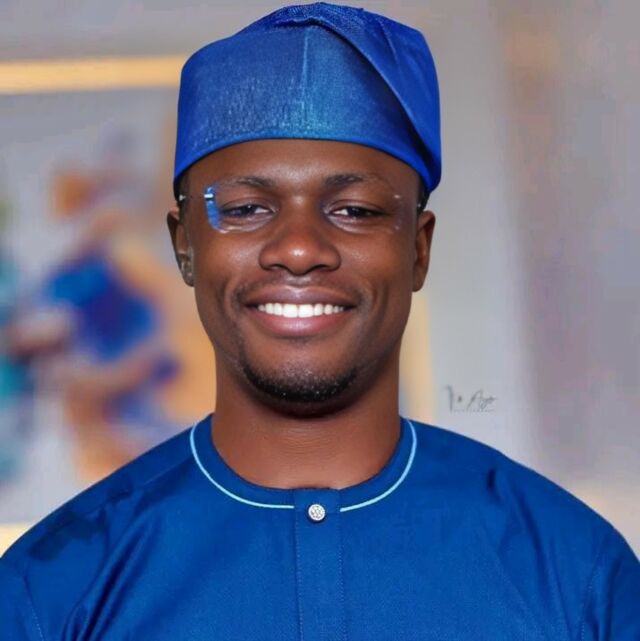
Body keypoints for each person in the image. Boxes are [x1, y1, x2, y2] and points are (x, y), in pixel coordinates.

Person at [1, 3, 638, 639]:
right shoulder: (51, 595)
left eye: (356, 210)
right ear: (185, 246)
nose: (300, 248)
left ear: (418, 249)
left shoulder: (576, 577)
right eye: (246, 208)